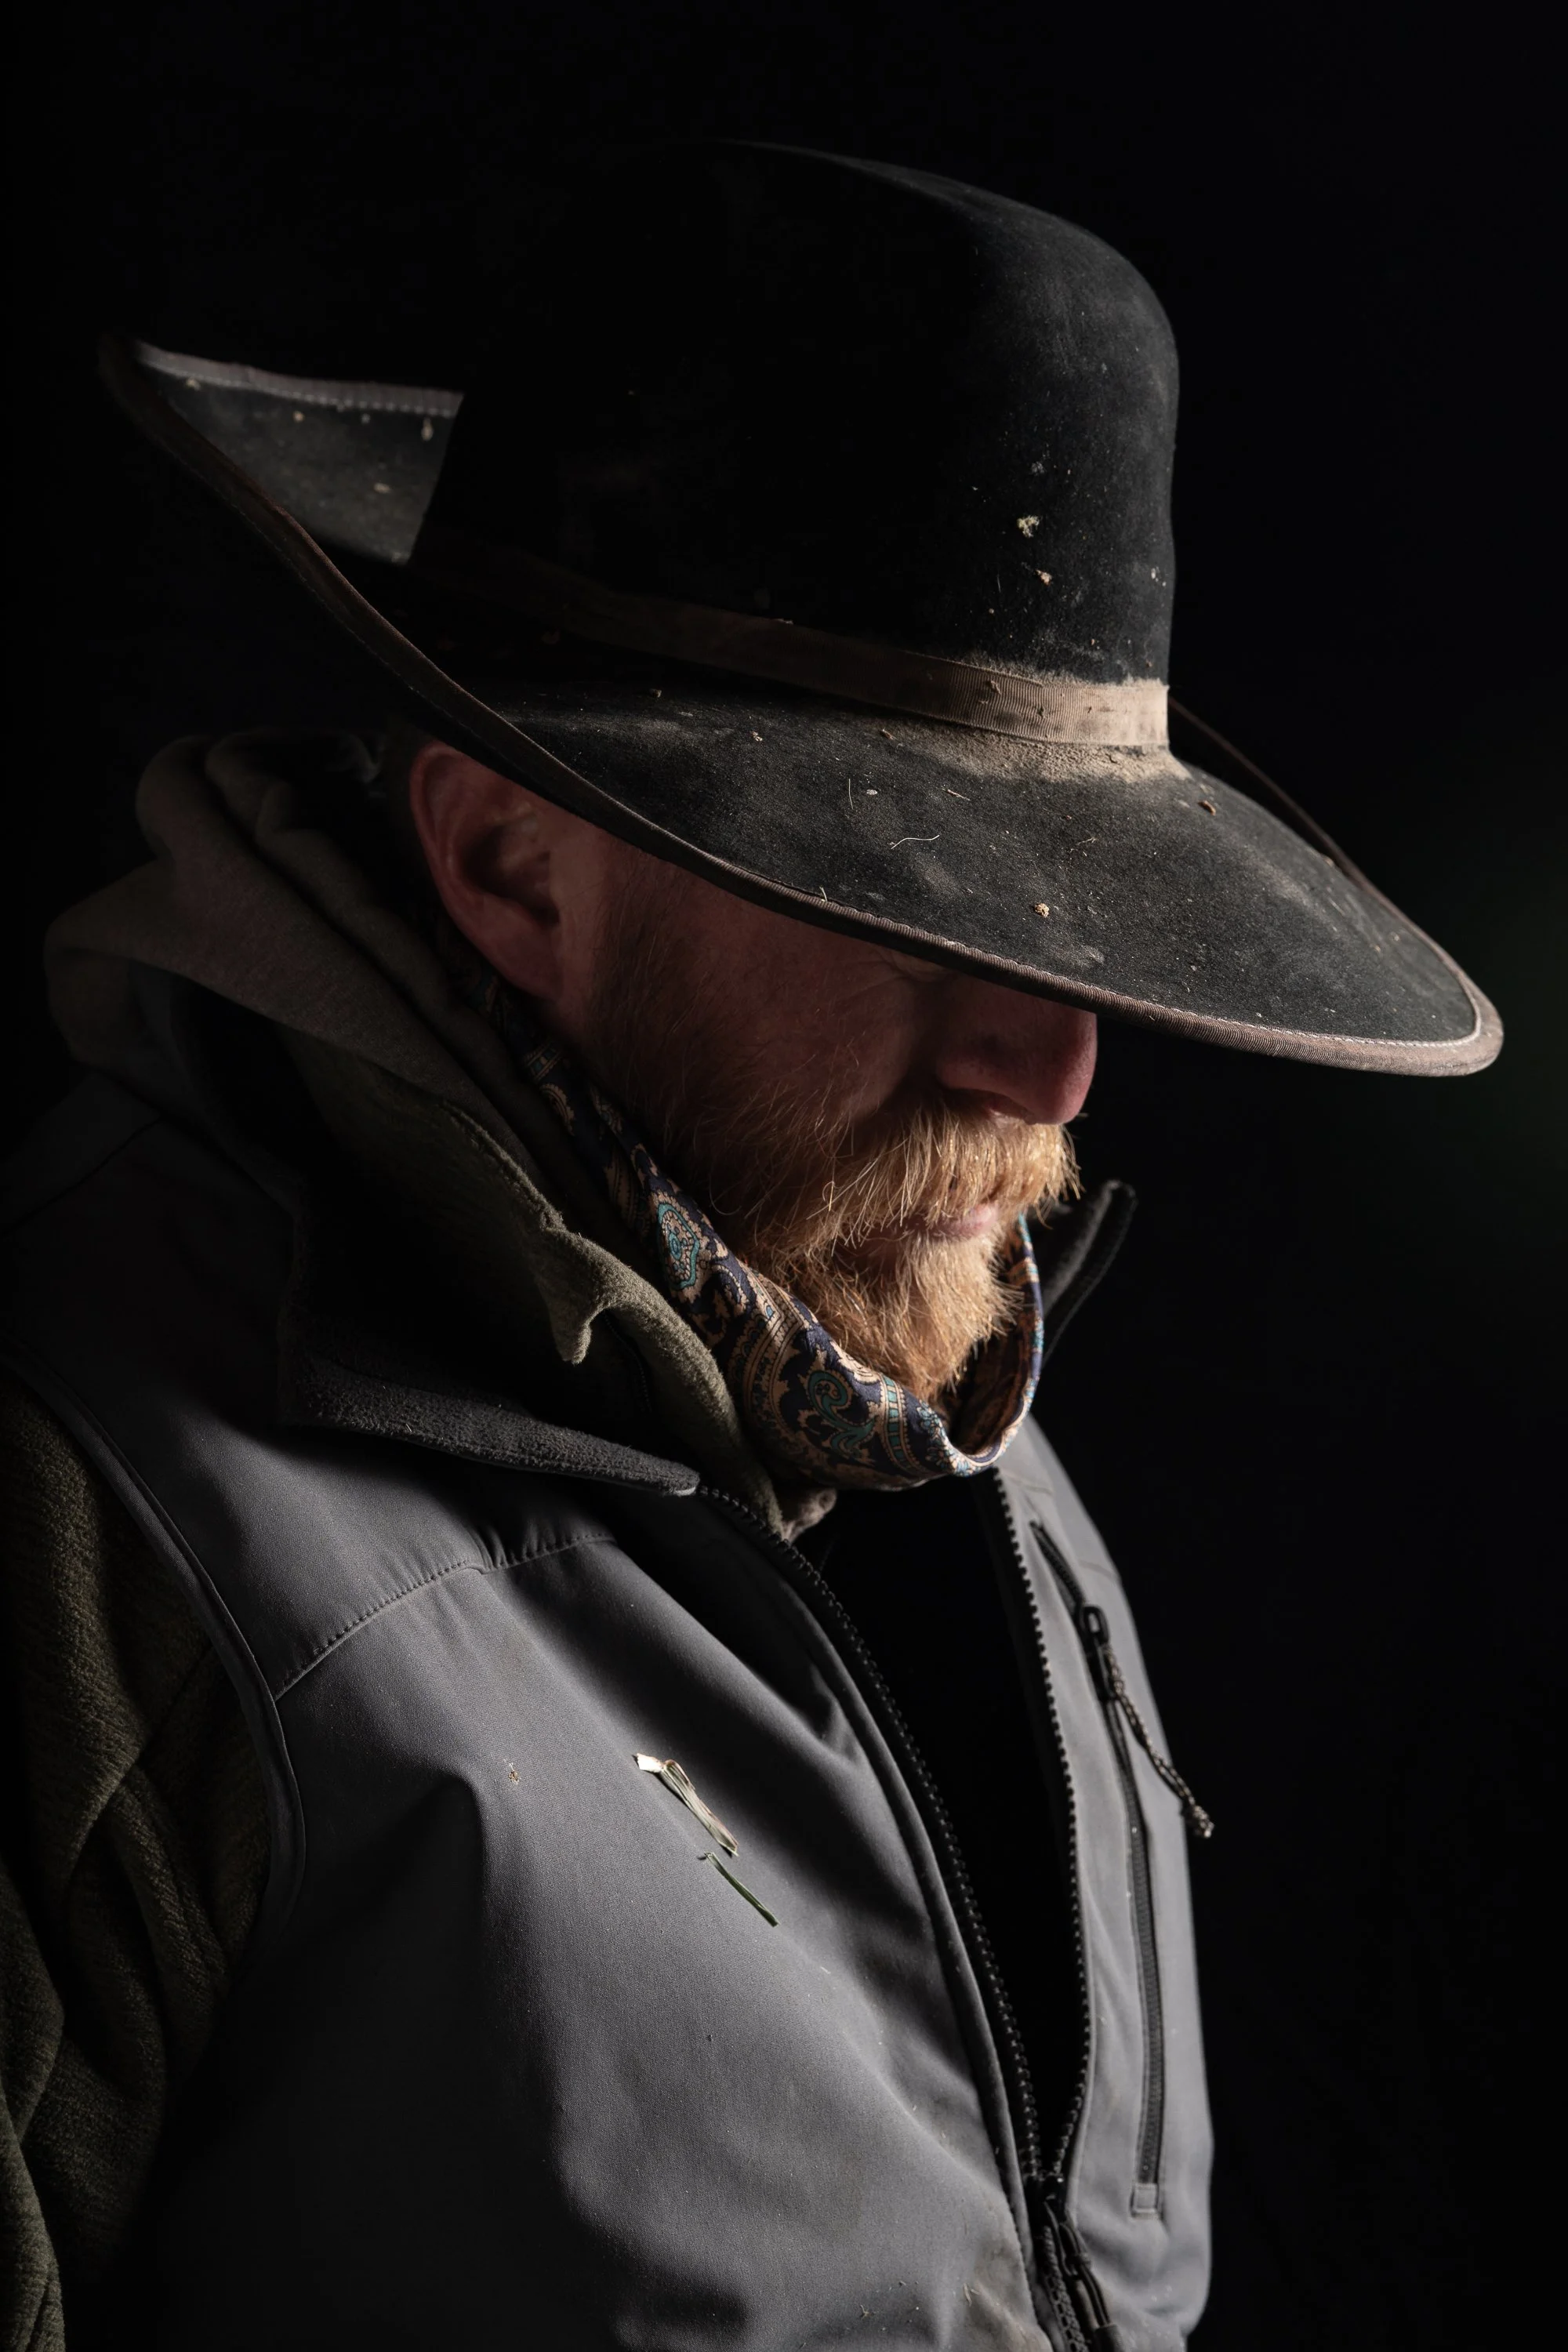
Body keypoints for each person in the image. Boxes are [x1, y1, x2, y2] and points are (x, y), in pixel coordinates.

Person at [0, 143, 1498, 2350]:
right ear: (514, 871)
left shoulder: (902, 1353)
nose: (1054, 1064)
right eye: (920, 905)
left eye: (1074, 920)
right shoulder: (86, 1512)